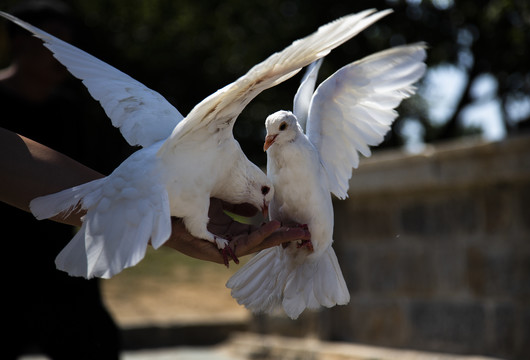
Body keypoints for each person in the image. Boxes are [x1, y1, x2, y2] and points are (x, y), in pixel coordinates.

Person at [0, 2, 309, 359]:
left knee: (93, 344)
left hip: (67, 243)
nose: (263, 203)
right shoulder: (218, 140)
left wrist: (183, 230)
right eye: (264, 193)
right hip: (12, 257)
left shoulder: (67, 108)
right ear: (18, 44)